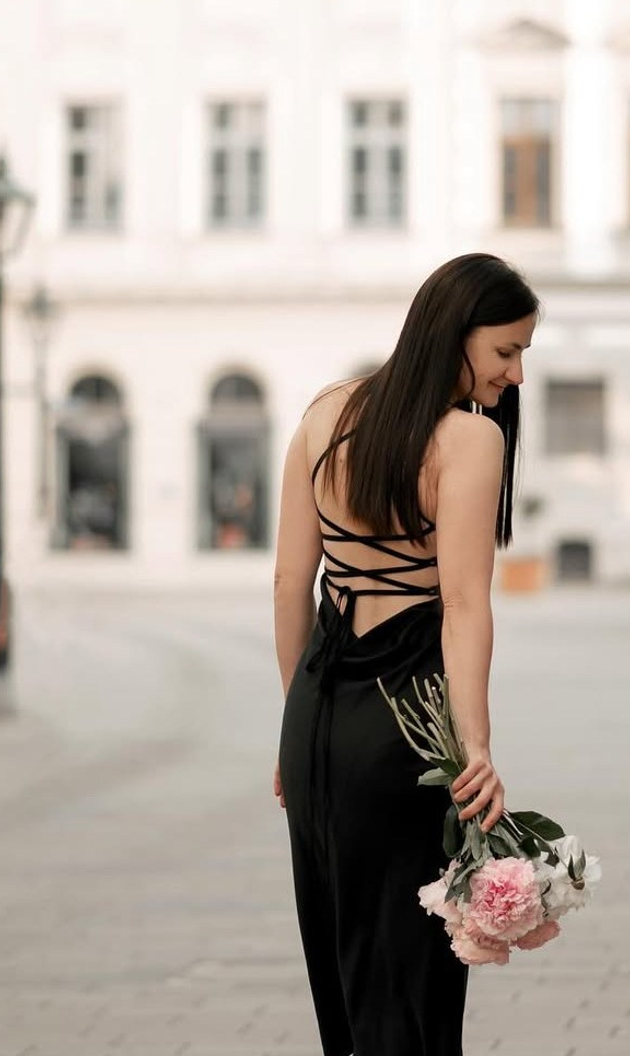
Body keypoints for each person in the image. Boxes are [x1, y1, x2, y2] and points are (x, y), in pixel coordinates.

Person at [273, 252, 540, 1056]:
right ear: (454, 335)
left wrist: (298, 726)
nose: (516, 374)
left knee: (343, 971)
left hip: (319, 717)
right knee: (410, 975)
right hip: (405, 732)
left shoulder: (328, 413)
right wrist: (477, 749)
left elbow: (291, 583)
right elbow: (461, 606)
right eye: (505, 351)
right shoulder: (468, 440)